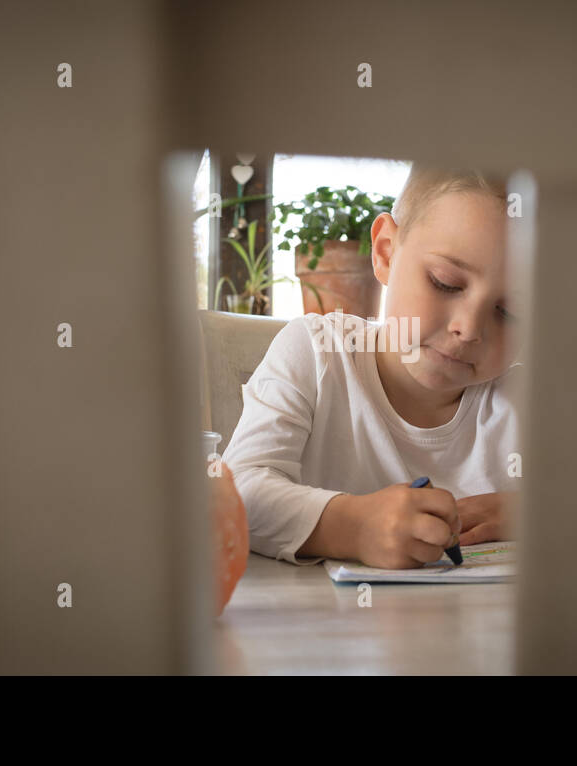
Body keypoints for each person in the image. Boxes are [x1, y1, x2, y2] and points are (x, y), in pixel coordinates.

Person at [222, 165, 523, 569]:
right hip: (318, 626)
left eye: (509, 311)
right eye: (445, 282)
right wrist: (353, 527)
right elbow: (238, 493)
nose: (468, 329)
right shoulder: (318, 354)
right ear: (385, 252)